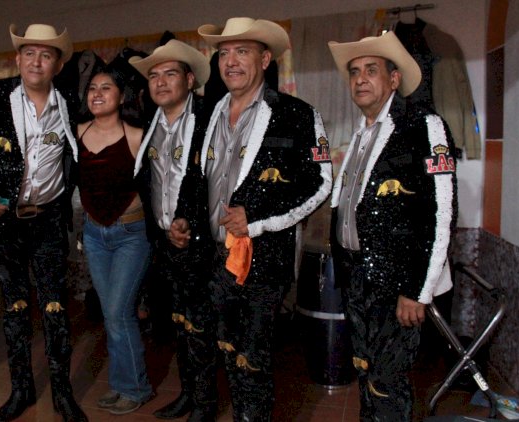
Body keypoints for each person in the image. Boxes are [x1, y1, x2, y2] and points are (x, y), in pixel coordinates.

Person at [196, 17, 333, 420]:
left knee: (253, 359)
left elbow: (320, 184)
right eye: (224, 53)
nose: (231, 61)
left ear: (265, 59)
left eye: (242, 51)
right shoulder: (211, 112)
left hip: (265, 263)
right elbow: (200, 179)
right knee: (228, 350)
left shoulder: (296, 114)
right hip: (216, 259)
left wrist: (255, 219)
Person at [327, 32, 457, 421]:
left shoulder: (422, 126)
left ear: (394, 79)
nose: (360, 79)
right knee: (366, 372)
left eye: (371, 70)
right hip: (357, 280)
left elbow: (441, 212)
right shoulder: (360, 135)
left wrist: (417, 289)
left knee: (387, 384)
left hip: (398, 287)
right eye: (354, 72)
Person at [0, 23, 87, 422]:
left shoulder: (69, 100)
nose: (36, 62)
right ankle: (21, 389)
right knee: (15, 308)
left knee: (55, 307)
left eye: (46, 55)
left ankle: (62, 392)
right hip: (5, 221)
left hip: (48, 219)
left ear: (58, 65)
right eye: (29, 53)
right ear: (17, 59)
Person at [128, 40, 218, 421]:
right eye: (154, 76)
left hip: (200, 244)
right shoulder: (153, 123)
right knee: (179, 323)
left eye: (170, 74)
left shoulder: (210, 119)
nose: (161, 82)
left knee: (200, 326)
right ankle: (188, 393)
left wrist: (190, 223)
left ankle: (205, 404)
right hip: (165, 243)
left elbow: (214, 182)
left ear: (190, 79)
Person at [75, 63, 153, 415]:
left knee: (120, 313)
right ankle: (124, 384)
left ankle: (136, 388)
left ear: (121, 97)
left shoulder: (137, 135)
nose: (97, 93)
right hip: (94, 235)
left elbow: (154, 187)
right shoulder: (77, 132)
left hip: (131, 235)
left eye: (106, 87)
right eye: (92, 88)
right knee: (111, 315)